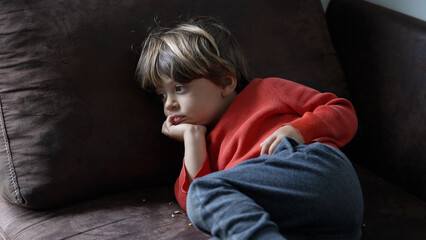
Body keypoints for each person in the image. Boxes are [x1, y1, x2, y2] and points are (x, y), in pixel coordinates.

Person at [136, 16, 363, 240]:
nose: (169, 104)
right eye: (162, 95)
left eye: (180, 87)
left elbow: (341, 110)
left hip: (317, 170)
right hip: (306, 225)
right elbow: (201, 208)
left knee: (204, 192)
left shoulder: (266, 90)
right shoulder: (204, 148)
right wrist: (193, 137)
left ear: (226, 82)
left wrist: (299, 130)